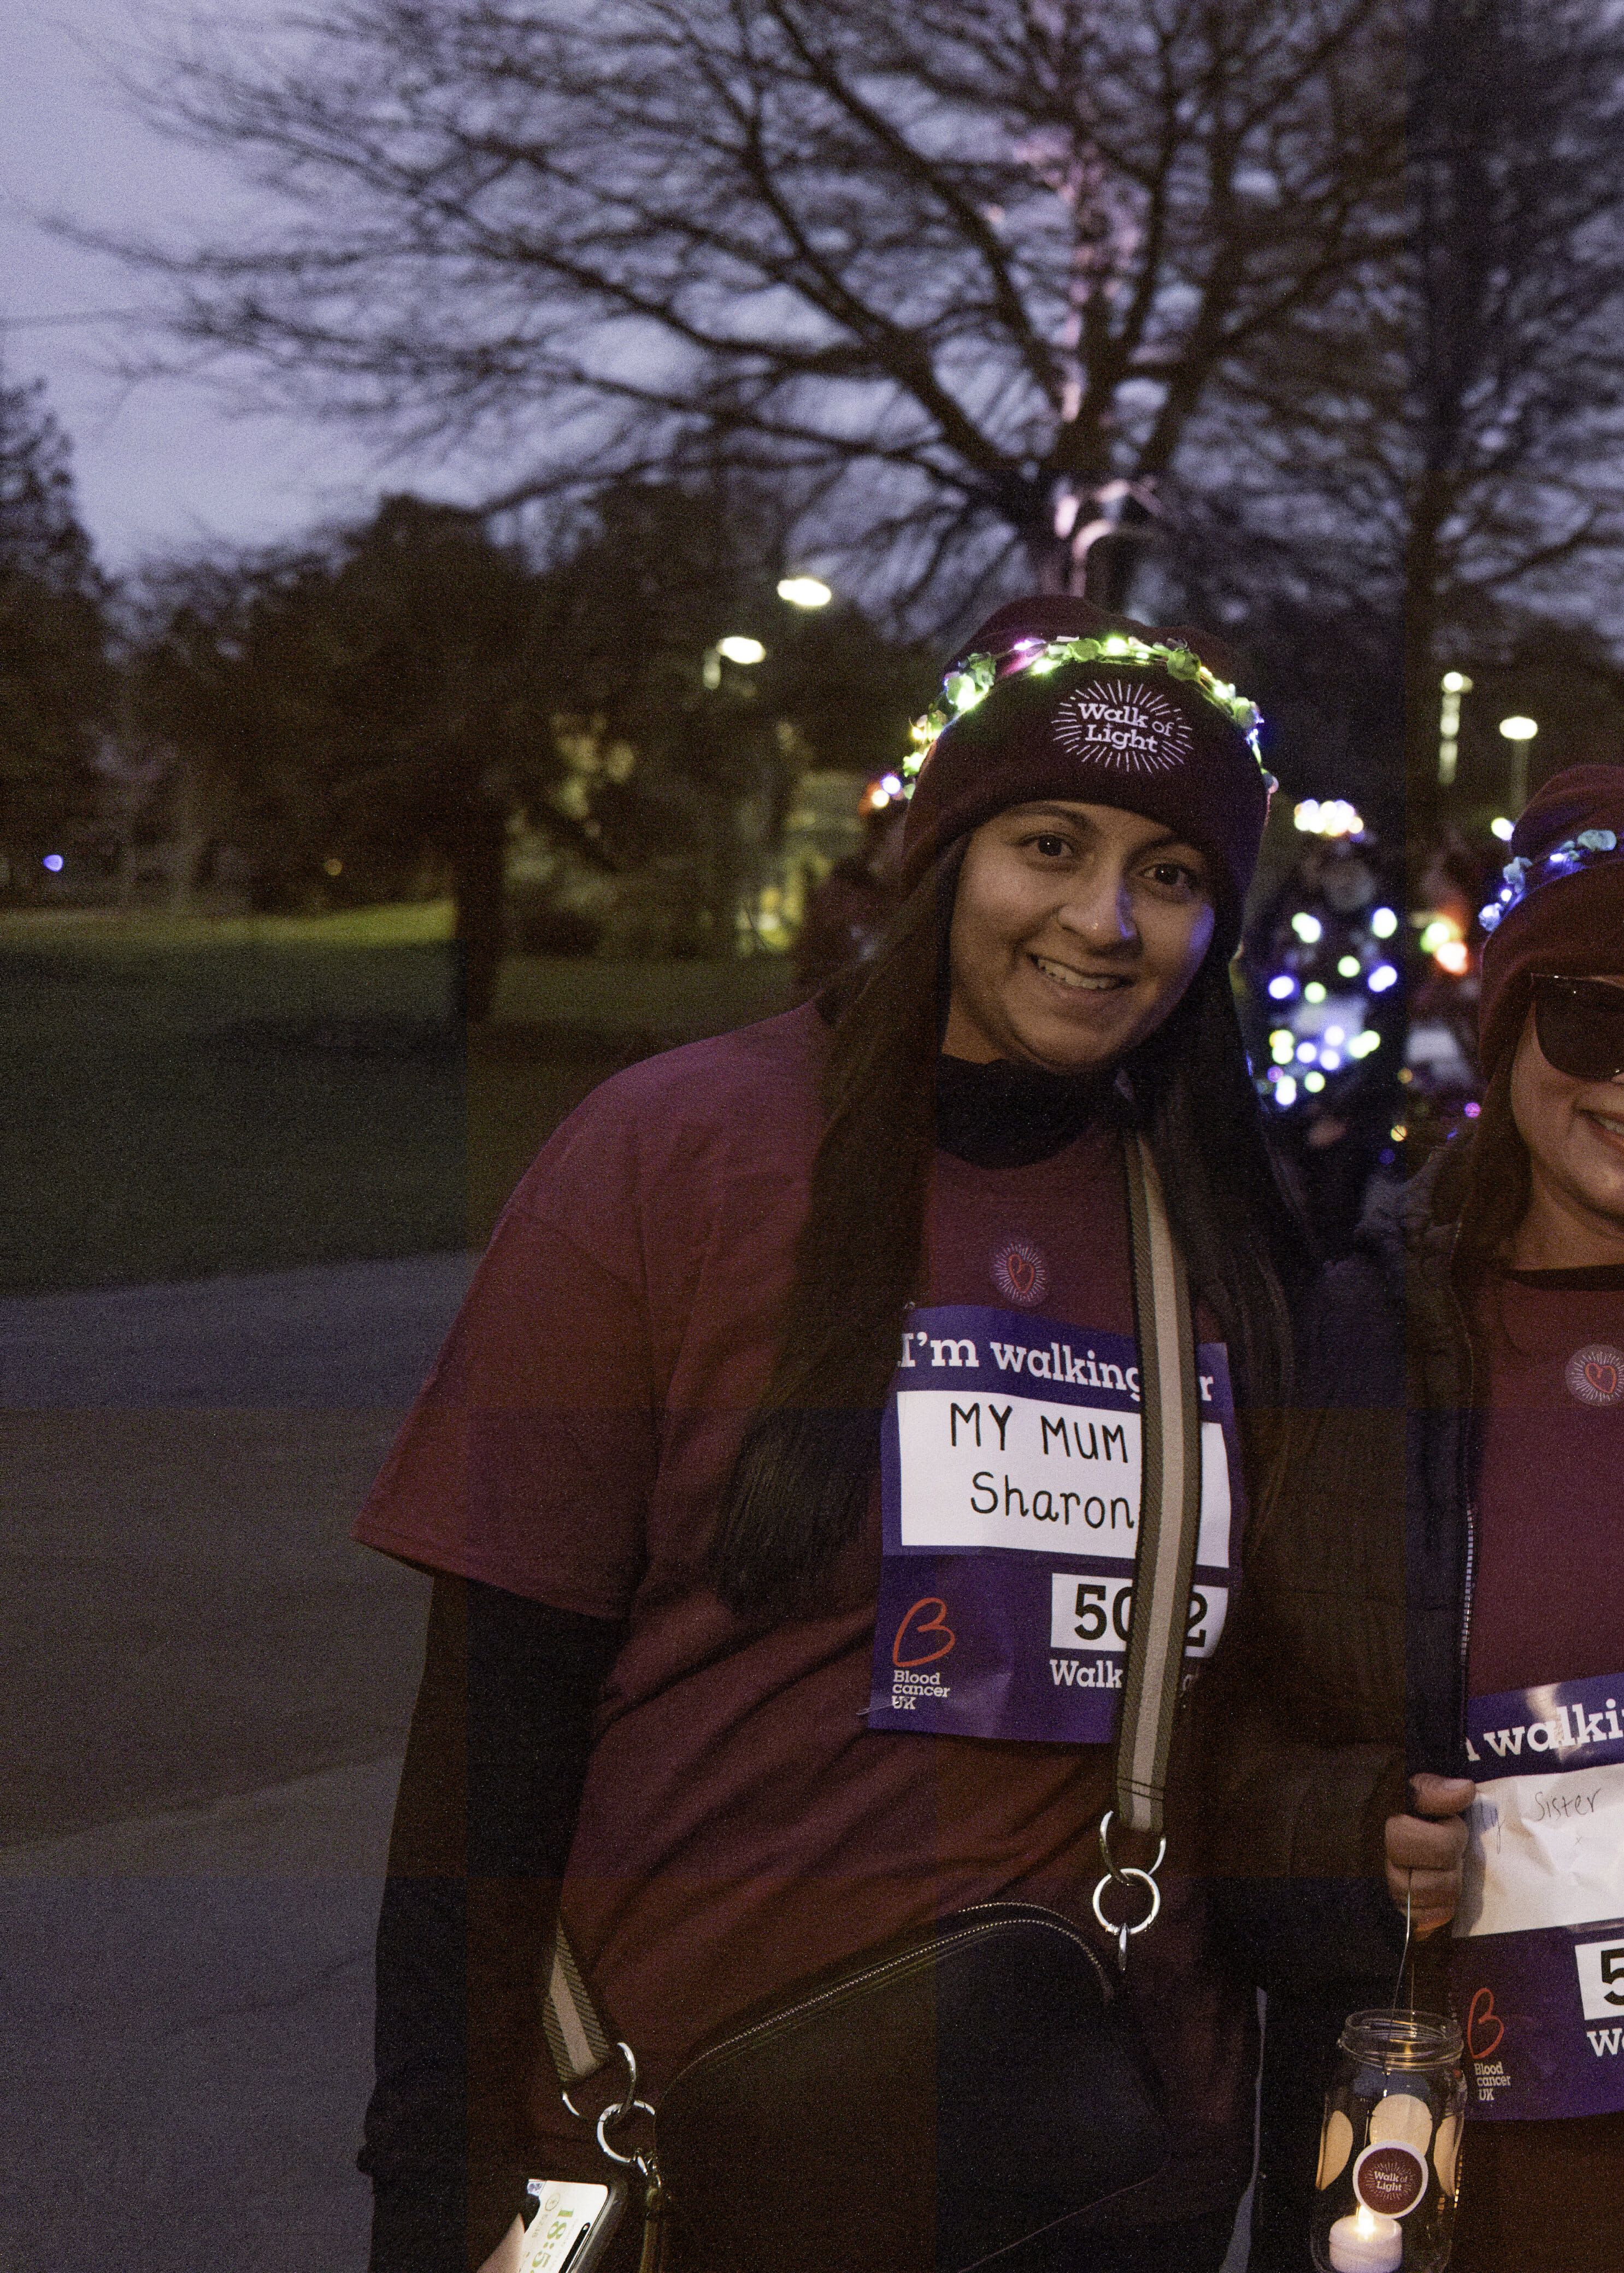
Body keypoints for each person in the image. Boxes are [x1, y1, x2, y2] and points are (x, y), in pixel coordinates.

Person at [354, 597, 1311, 2269]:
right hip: (697, 2151)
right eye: (1049, 844)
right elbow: (485, 1735)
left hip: (1103, 2181)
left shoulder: (1222, 1234)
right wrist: (429, 2181)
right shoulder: (673, 1155)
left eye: (1171, 876)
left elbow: (1284, 1711)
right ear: (942, 852)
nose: (1103, 920)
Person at [1193, 767, 1624, 2273]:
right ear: (1506, 1029)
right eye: (1591, 1019)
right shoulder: (1352, 1339)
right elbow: (1204, 1753)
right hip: (1445, 2176)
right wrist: (1347, 1833)